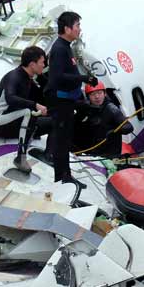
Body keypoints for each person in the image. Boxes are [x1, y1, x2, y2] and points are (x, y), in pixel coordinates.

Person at [46, 11, 97, 184]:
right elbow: (58, 77)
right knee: (62, 141)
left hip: (69, 100)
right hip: (61, 102)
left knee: (66, 139)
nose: (79, 29)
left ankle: (66, 175)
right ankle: (62, 177)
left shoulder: (66, 46)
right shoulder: (60, 49)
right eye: (77, 26)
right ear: (67, 29)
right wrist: (83, 78)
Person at [0, 46, 51, 172]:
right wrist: (35, 105)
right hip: (0, 122)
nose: (44, 65)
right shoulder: (14, 76)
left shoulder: (28, 78)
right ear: (32, 64)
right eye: (42, 62)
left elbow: (43, 97)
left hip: (16, 121)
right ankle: (20, 157)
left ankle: (49, 155)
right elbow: (10, 98)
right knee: (28, 112)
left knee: (55, 121)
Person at [73, 82, 134, 158]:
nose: (97, 97)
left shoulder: (112, 109)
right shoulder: (86, 108)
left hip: (108, 155)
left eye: (99, 93)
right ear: (88, 97)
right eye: (93, 94)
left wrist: (116, 131)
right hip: (91, 153)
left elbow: (129, 127)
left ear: (105, 94)